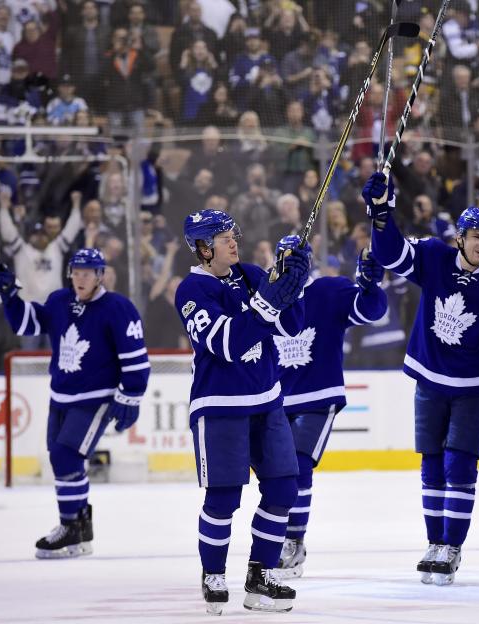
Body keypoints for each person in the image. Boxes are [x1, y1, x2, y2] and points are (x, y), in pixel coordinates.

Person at [363, 172, 479, 586]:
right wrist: (382, 215)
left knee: (459, 464)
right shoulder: (434, 256)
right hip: (431, 378)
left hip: (474, 386)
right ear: (461, 237)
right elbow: (392, 254)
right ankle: (435, 543)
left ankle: (452, 547)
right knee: (432, 465)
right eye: (476, 237)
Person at [175, 209, 310, 615]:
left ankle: (261, 574)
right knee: (223, 497)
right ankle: (213, 573)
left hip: (267, 400)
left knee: (285, 488)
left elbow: (291, 327)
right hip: (219, 406)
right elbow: (228, 344)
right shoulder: (191, 292)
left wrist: (293, 283)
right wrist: (268, 305)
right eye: (222, 237)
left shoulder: (249, 273)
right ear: (202, 248)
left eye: (233, 233)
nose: (233, 241)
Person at [0, 248, 150, 559]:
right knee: (63, 460)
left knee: (66, 455)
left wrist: (131, 395)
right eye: (76, 271)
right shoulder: (59, 301)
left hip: (96, 397)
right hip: (61, 396)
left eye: (87, 272)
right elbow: (28, 324)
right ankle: (82, 525)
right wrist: (9, 296)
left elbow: (135, 358)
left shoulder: (118, 308)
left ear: (101, 275)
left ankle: (69, 527)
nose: (80, 277)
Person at [274, 236, 388, 578]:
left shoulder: (329, 291)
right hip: (275, 401)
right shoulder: (266, 298)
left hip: (317, 397)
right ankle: (280, 538)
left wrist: (368, 285)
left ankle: (292, 542)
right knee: (278, 476)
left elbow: (372, 311)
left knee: (298, 465)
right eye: (284, 259)